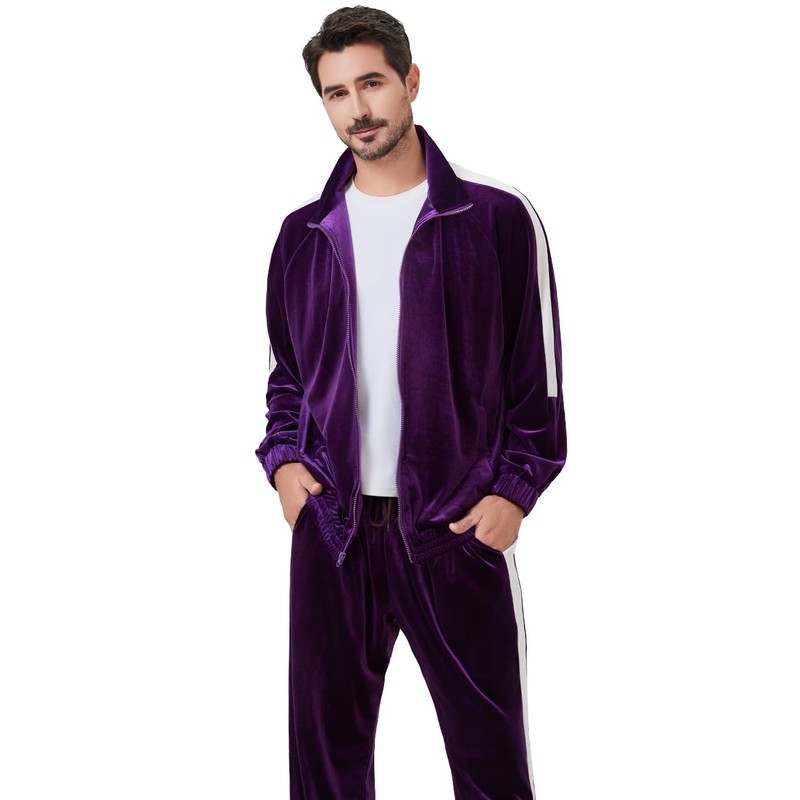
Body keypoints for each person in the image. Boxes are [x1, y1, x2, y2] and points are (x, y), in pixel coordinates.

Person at [255, 6, 567, 798]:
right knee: (323, 769)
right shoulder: (303, 234)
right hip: (333, 531)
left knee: (491, 766)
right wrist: (286, 466)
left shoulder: (495, 219)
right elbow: (287, 374)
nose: (357, 109)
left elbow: (538, 382)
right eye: (336, 93)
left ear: (411, 81)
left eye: (372, 83)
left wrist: (514, 493)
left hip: (454, 531)